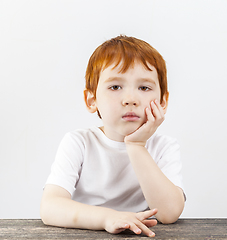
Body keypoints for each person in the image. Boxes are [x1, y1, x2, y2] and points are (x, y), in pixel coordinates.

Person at [40, 35, 185, 237]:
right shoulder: (79, 143)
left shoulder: (164, 146)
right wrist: (108, 218)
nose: (131, 99)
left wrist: (136, 145)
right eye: (115, 87)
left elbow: (169, 213)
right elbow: (50, 207)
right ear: (92, 100)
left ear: (163, 101)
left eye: (144, 87)